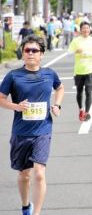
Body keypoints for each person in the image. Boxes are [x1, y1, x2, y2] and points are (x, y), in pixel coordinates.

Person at [0, 35, 64, 215]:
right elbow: (1, 98)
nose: (30, 53)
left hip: (43, 130)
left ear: (42, 54)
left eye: (34, 50)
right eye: (27, 50)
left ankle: (36, 213)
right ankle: (25, 205)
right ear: (22, 54)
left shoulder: (49, 74)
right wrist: (16, 106)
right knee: (24, 174)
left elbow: (60, 88)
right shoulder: (13, 76)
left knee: (39, 174)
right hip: (21, 132)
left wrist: (57, 105)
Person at [68, 21, 92, 121]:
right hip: (79, 70)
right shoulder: (76, 41)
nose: (86, 30)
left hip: (91, 69)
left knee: (89, 92)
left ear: (90, 29)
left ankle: (87, 113)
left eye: (87, 28)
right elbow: (69, 53)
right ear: (80, 30)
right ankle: (81, 109)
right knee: (79, 92)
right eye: (84, 28)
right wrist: (76, 51)